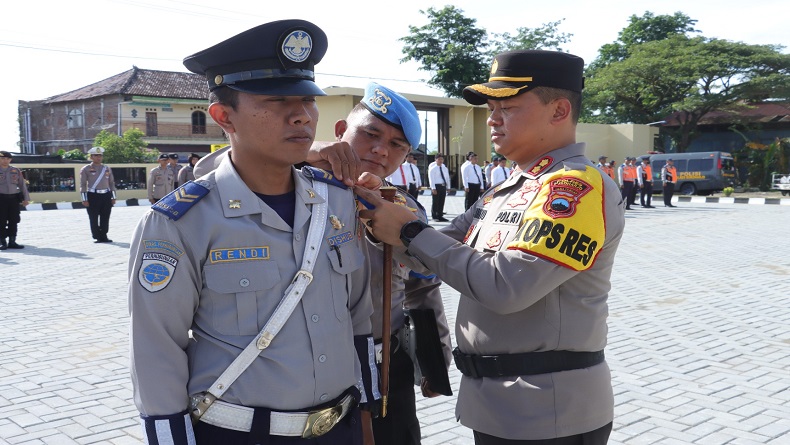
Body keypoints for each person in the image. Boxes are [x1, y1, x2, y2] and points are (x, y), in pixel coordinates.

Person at [355, 49, 625, 445]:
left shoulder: (572, 188)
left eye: (510, 108)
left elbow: (506, 288)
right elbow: (435, 253)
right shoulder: (511, 186)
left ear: (559, 110)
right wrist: (385, 206)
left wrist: (410, 230)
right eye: (492, 108)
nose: (493, 118)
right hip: (504, 404)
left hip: (548, 411)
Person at [128, 20, 379, 445]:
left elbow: (358, 316)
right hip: (239, 434)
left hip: (341, 428)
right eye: (276, 100)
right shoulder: (179, 222)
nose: (301, 114)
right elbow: (156, 350)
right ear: (224, 116)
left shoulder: (336, 203)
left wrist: (368, 413)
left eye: (307, 99)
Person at [312, 82, 453, 445]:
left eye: (396, 145)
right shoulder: (294, 188)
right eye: (370, 134)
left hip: (387, 365)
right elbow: (220, 168)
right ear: (341, 131)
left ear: (405, 158)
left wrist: (434, 361)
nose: (380, 150)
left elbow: (423, 284)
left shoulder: (403, 208)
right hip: (315, 366)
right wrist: (302, 152)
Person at [79, 147, 117, 243]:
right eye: (96, 155)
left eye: (100, 155)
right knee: (93, 217)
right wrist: (84, 199)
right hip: (93, 195)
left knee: (105, 216)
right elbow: (83, 184)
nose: (98, 158)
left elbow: (111, 183)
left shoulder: (107, 168)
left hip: (106, 195)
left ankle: (104, 235)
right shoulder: (86, 169)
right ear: (91, 157)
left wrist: (113, 197)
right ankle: (97, 236)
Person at [0, 151, 30, 250]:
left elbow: (22, 185)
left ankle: (12, 241)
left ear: (10, 160)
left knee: (14, 220)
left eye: (7, 159)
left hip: (13, 199)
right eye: (3, 158)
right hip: (1, 199)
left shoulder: (15, 170)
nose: (5, 161)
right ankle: (2, 242)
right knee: (1, 221)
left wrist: (26, 198)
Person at [428, 154, 450, 222]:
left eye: (442, 159)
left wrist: (448, 187)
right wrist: (433, 188)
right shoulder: (432, 169)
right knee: (435, 202)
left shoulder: (445, 168)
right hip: (436, 186)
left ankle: (440, 215)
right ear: (436, 160)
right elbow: (431, 179)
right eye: (439, 159)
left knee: (441, 201)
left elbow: (447, 178)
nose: (441, 161)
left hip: (443, 186)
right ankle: (434, 216)